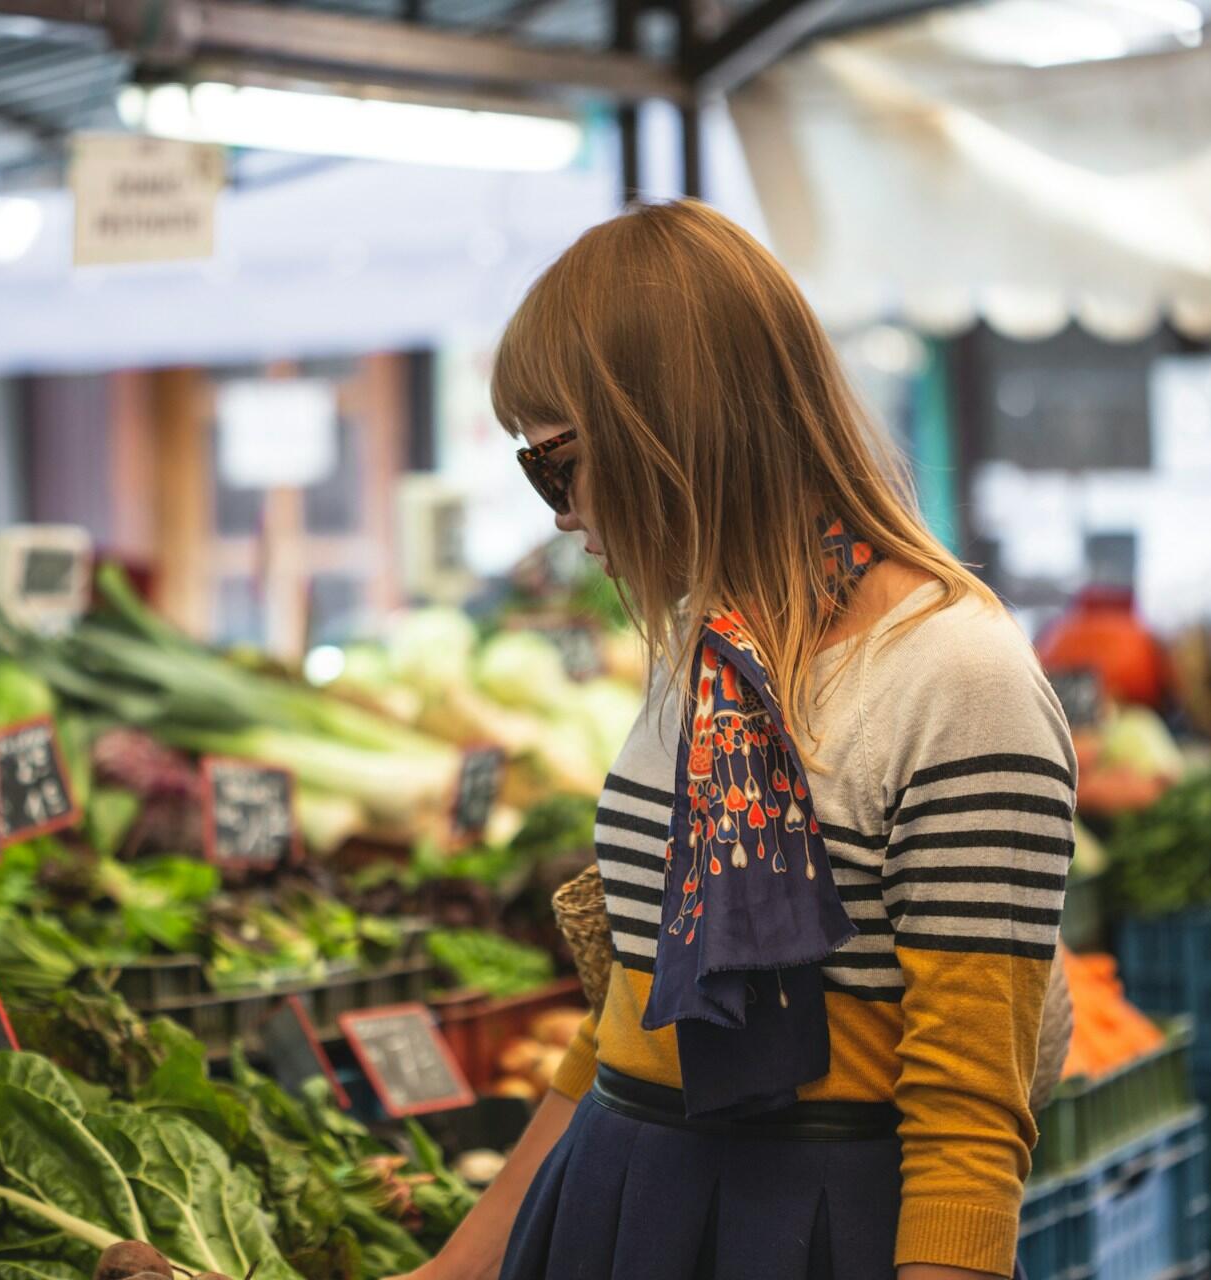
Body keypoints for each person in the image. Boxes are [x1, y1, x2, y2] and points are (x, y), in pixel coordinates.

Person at [398, 202, 1074, 1280]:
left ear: (669, 430)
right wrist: (453, 1268)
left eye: (557, 463)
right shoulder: (707, 655)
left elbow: (968, 1118)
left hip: (811, 1224)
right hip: (612, 1196)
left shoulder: (958, 677)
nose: (562, 515)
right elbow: (627, 1014)